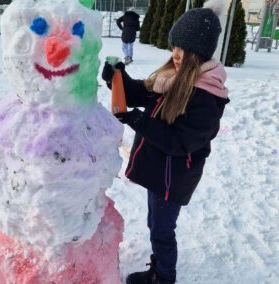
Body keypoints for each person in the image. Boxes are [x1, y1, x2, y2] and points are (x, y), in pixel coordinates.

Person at [102, 0, 229, 283]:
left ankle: (163, 276)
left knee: (161, 229)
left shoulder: (206, 96)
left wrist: (137, 120)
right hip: (160, 172)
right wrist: (118, 80)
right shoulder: (172, 78)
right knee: (155, 223)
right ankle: (159, 267)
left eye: (183, 49)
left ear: (199, 52)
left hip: (174, 177)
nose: (176, 54)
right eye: (174, 47)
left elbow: (179, 142)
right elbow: (140, 95)